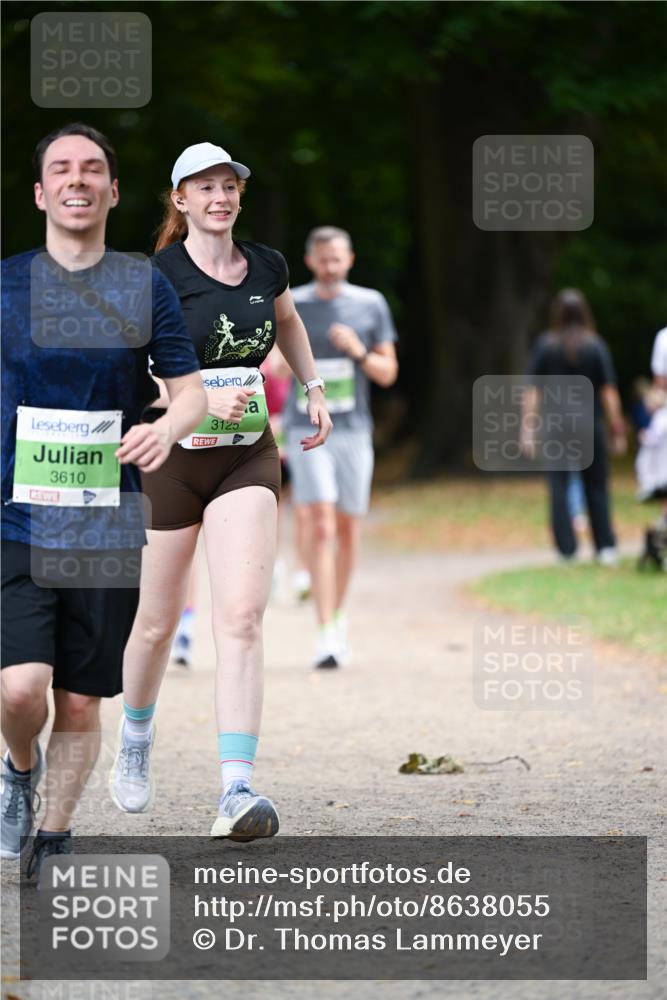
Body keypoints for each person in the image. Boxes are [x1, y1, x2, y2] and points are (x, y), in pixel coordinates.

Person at [110, 143, 332, 839]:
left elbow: (287, 321)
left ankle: (237, 788)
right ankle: (135, 734)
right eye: (204, 187)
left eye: (229, 185)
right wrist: (197, 396)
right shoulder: (154, 276)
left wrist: (312, 384)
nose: (220, 197)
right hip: (170, 459)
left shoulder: (266, 265)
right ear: (180, 199)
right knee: (154, 624)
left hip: (245, 458)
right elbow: (127, 370)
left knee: (240, 618)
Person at [0, 124, 206, 876]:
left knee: (83, 702)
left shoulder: (143, 285)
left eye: (92, 169)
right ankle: (18, 768)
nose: (77, 179)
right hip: (15, 515)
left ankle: (52, 837)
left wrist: (166, 430)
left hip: (105, 521)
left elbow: (190, 393)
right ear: (40, 193)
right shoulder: (6, 284)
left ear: (113, 192)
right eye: (61, 169)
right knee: (21, 690)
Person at [282, 226, 399, 667]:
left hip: (352, 430)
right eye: (323, 259)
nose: (330, 267)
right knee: (322, 521)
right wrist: (283, 364)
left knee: (348, 526)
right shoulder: (291, 303)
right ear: (310, 261)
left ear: (349, 260)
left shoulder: (370, 304)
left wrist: (358, 352)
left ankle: (337, 614)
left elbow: (388, 373)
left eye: (337, 259)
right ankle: (324, 632)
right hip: (306, 427)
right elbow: (273, 365)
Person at [523, 288, 626, 565]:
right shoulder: (595, 346)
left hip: (556, 426)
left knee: (558, 486)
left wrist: (528, 428)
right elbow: (609, 392)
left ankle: (566, 550)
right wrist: (617, 429)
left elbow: (533, 391)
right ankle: (605, 546)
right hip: (588, 426)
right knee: (596, 485)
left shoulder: (546, 346)